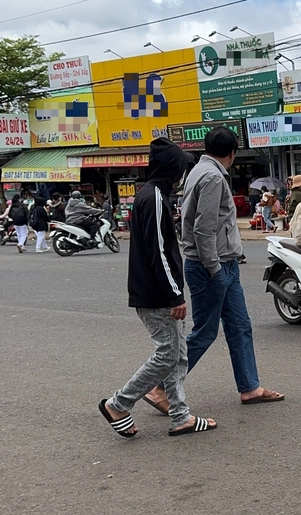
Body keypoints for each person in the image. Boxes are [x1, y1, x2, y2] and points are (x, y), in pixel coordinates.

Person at [145, 126, 284, 411]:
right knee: (205, 332)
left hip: (223, 263)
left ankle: (249, 386)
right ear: (232, 153)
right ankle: (160, 388)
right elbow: (204, 229)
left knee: (240, 326)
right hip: (212, 265)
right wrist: (214, 270)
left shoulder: (200, 170)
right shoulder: (212, 177)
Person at [99, 137, 217, 438]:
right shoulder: (152, 198)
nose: (182, 176)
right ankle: (118, 403)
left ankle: (181, 417)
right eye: (180, 170)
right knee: (167, 353)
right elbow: (160, 252)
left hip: (157, 291)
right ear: (172, 170)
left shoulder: (153, 195)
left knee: (178, 354)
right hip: (156, 294)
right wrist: (174, 294)